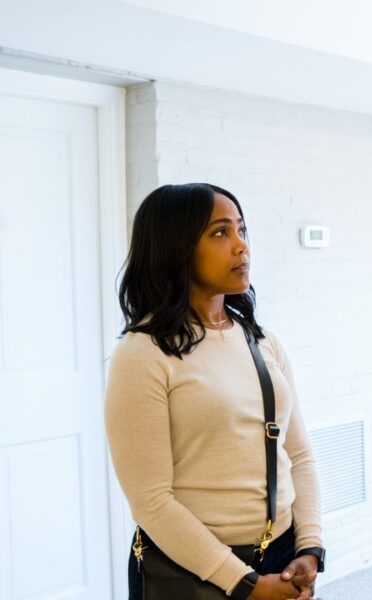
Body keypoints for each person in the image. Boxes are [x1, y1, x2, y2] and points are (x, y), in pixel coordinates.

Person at [106, 183, 325, 600]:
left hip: (280, 556)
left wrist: (309, 546)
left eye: (242, 230)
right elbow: (151, 501)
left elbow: (298, 454)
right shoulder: (142, 353)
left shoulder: (263, 342)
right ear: (177, 248)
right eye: (221, 233)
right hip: (192, 570)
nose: (242, 247)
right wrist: (244, 584)